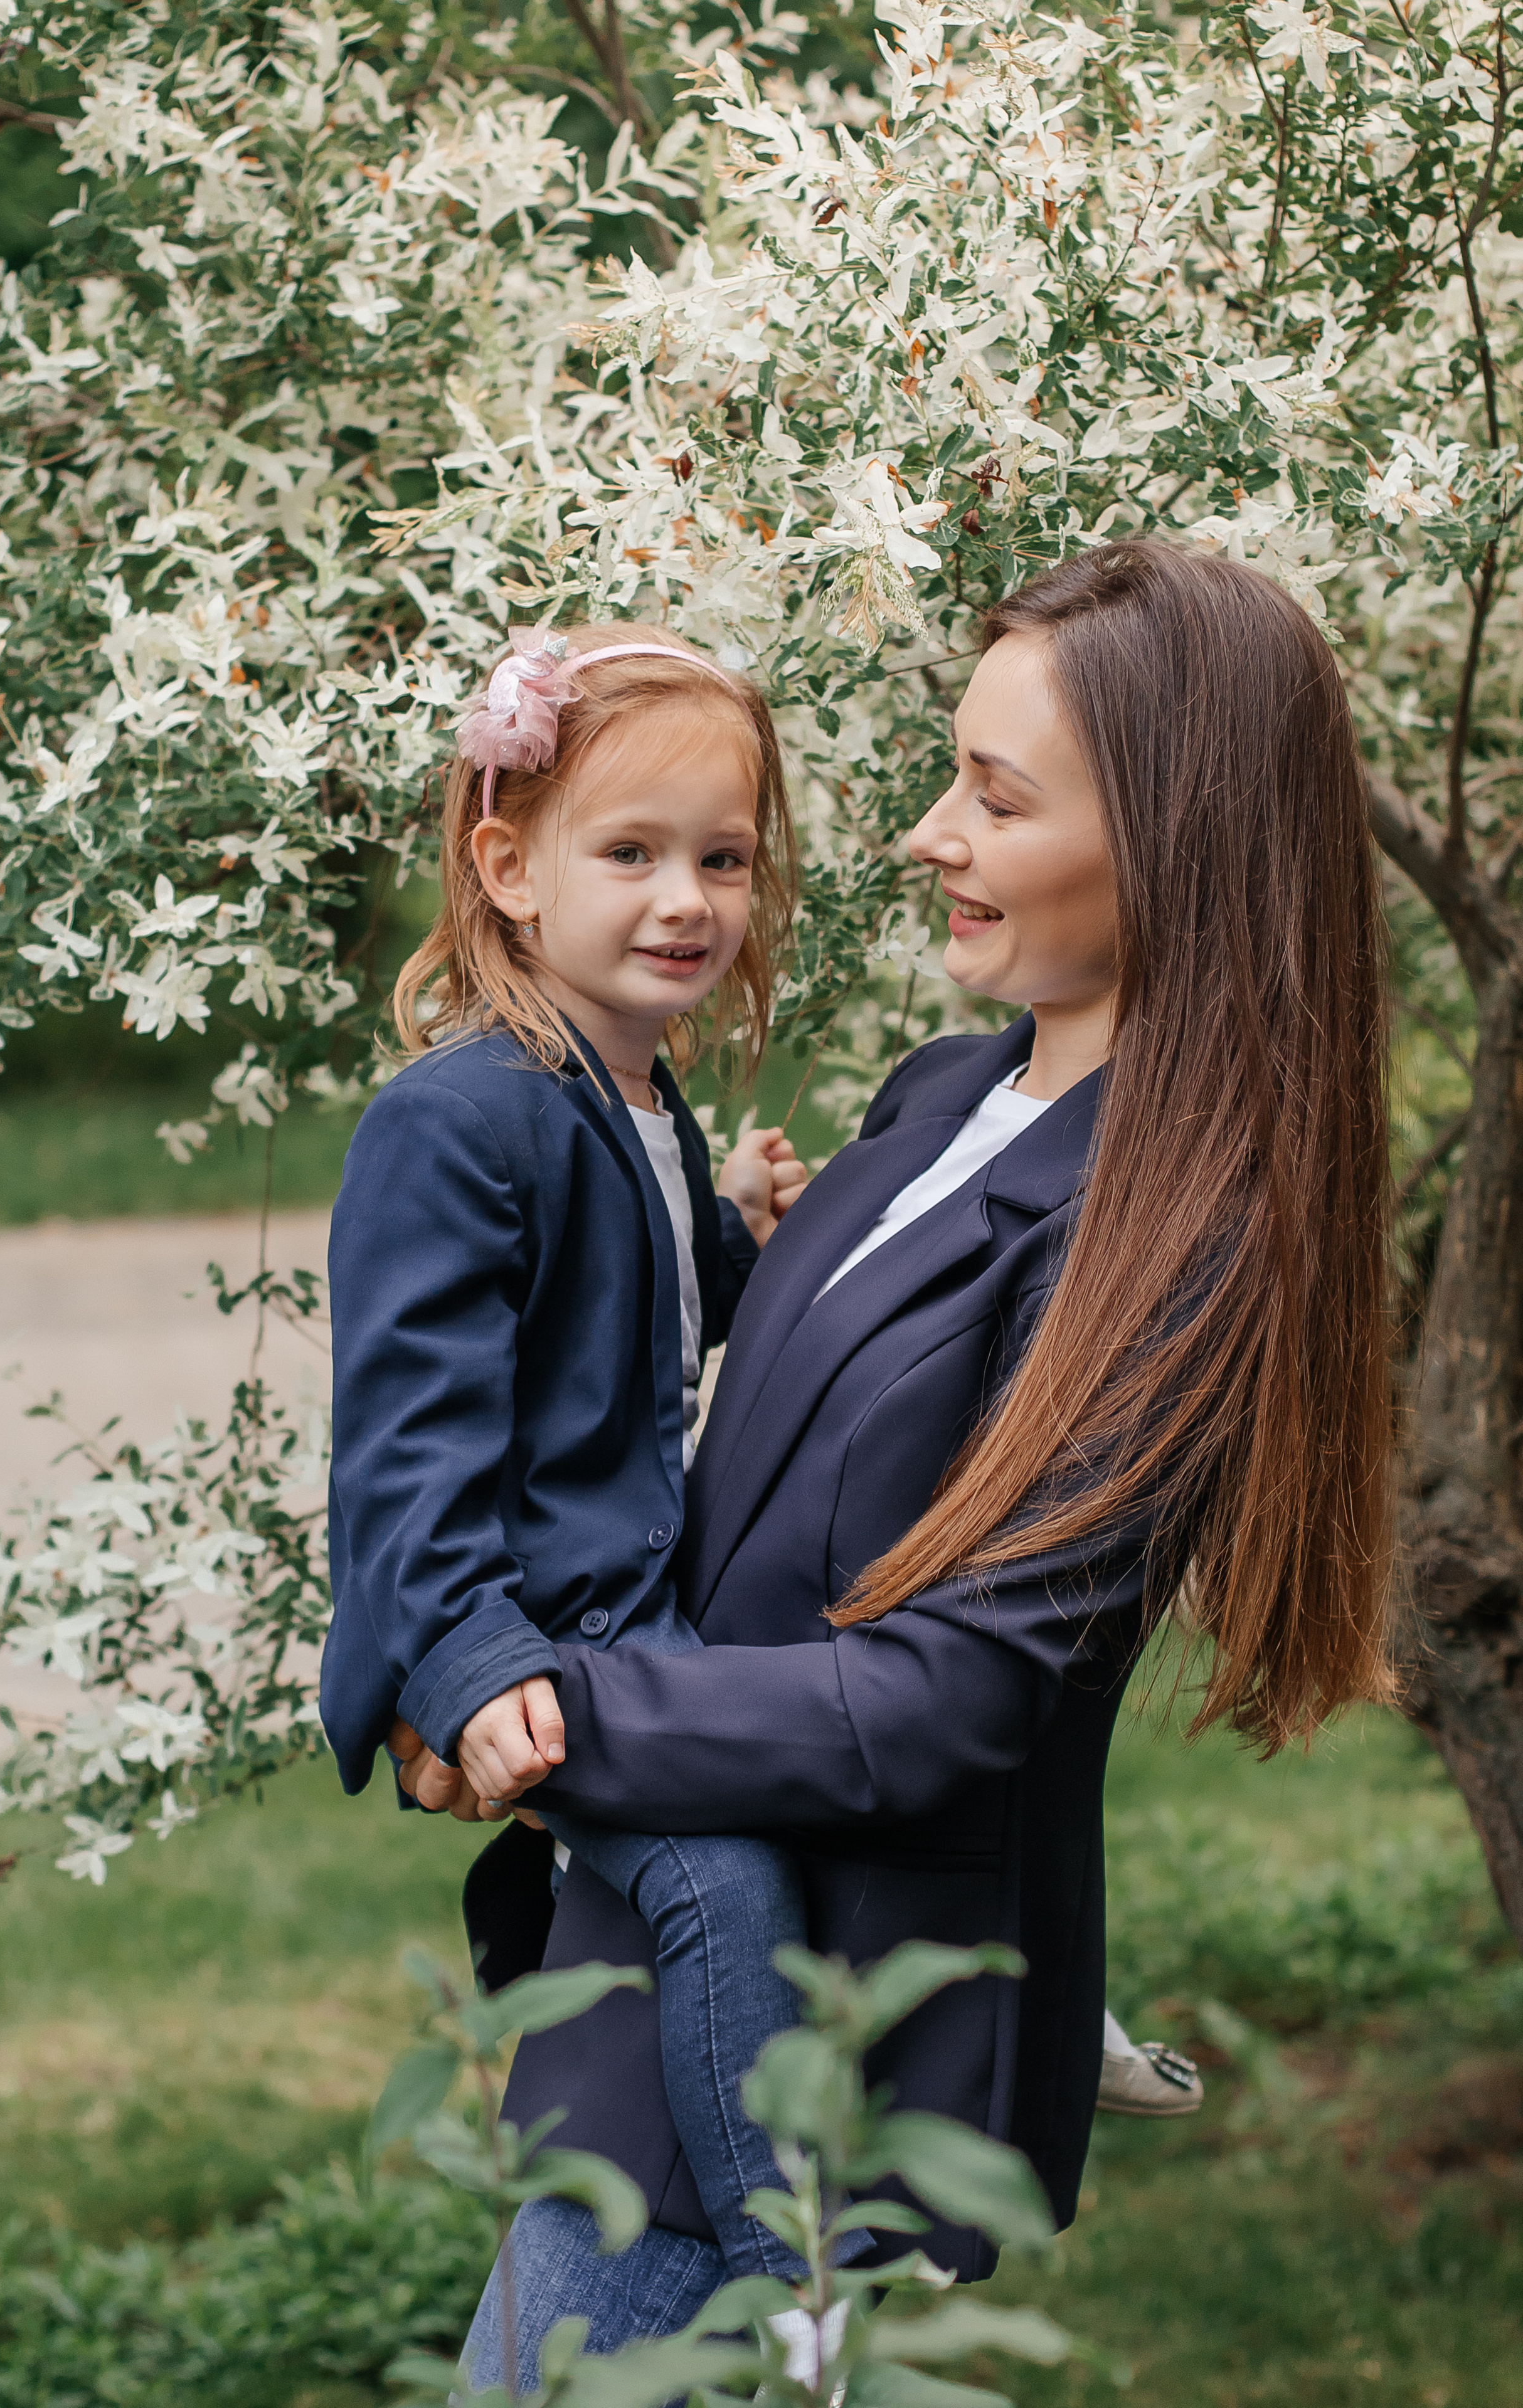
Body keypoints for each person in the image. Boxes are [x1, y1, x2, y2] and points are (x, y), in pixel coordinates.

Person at [415, 542, 1396, 2389]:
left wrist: (545, 1718)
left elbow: (953, 1698)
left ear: (1175, 843)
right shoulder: (944, 1100)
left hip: (805, 2044)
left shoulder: (1175, 1242)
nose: (931, 833)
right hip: (658, 1940)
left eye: (998, 798)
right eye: (955, 772)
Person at [319, 623, 859, 2291]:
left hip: (633, 1608)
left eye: (722, 860)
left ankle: (1024, 2011)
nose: (686, 900)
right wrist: (472, 1665)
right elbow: (407, 1451)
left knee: (865, 1764)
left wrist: (737, 1247)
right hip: (537, 1636)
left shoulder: (630, 1087)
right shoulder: (458, 1114)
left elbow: (623, 1324)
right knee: (722, 1884)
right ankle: (786, 2272)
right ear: (511, 869)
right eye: (630, 855)